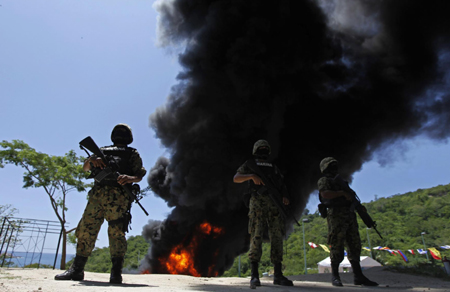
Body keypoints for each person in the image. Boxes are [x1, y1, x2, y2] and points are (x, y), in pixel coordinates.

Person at [55, 124, 146, 284]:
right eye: (118, 132)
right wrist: (92, 160)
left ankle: (116, 273)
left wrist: (129, 178)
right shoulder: (102, 150)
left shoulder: (132, 154)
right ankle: (77, 270)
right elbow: (85, 168)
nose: (120, 135)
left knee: (117, 233)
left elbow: (139, 174)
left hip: (119, 197)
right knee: (86, 230)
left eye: (123, 133)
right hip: (98, 195)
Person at [233, 140, 293, 288]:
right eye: (261, 149)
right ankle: (254, 276)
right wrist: (251, 176)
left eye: (266, 149)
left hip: (274, 205)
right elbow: (236, 178)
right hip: (257, 203)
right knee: (256, 236)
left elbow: (282, 183)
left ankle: (278, 275)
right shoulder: (250, 164)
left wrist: (284, 196)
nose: (264, 150)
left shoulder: (273, 167)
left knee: (277, 237)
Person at [318, 157, 378, 287]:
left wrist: (358, 207)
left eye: (335, 165)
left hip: (349, 215)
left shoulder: (342, 182)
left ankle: (358, 276)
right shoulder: (324, 181)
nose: (334, 168)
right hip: (336, 216)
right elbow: (325, 194)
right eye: (331, 166)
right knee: (337, 244)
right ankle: (335, 276)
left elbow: (351, 196)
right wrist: (341, 193)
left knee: (354, 244)